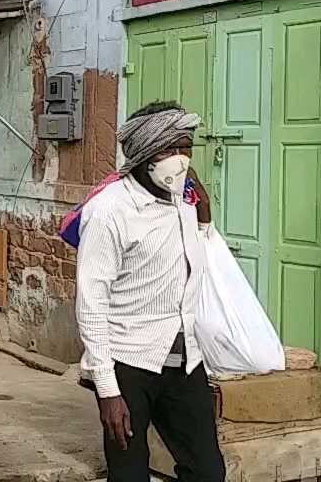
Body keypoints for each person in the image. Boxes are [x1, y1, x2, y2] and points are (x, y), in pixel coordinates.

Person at [75, 101, 223, 482]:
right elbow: (91, 301)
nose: (180, 160)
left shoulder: (184, 202)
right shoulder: (110, 212)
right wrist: (107, 390)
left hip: (184, 360)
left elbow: (193, 267)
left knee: (207, 470)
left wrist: (203, 220)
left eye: (186, 148)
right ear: (142, 154)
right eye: (168, 149)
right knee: (128, 474)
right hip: (128, 364)